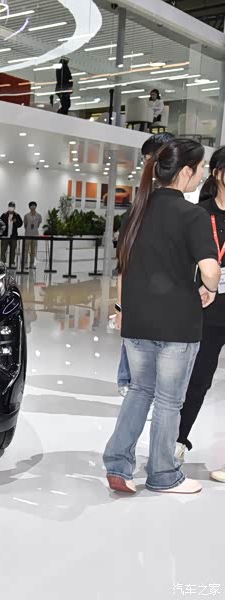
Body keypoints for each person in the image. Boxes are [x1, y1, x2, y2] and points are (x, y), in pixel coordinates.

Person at [104, 138, 220, 495]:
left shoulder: (136, 210)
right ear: (185, 172)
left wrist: (122, 310)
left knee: (139, 392)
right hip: (177, 324)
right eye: (200, 168)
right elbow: (210, 271)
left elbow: (124, 268)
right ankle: (163, 474)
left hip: (138, 320)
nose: (202, 174)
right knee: (169, 402)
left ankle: (118, 464)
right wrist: (210, 287)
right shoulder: (193, 215)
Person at [175, 146, 225, 483]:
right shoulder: (199, 213)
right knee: (197, 381)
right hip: (208, 310)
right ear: (218, 173)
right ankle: (177, 443)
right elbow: (182, 261)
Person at [116, 132, 176, 396]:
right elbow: (124, 264)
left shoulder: (182, 208)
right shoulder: (139, 207)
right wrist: (120, 306)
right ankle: (128, 379)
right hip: (143, 296)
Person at [0, 202, 22, 268]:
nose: (11, 207)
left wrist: (16, 221)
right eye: (10, 206)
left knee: (13, 250)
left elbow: (20, 224)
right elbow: (0, 224)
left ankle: (12, 262)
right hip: (5, 235)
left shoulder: (17, 215)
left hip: (13, 236)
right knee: (3, 250)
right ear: (8, 207)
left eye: (12, 206)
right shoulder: (4, 215)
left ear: (14, 207)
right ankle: (3, 262)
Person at [23, 201, 42, 270]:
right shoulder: (26, 216)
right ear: (29, 207)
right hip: (28, 234)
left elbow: (38, 224)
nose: (33, 207)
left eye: (34, 205)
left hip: (35, 235)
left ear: (36, 207)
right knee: (26, 250)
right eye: (31, 205)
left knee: (33, 250)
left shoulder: (39, 216)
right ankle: (25, 264)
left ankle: (32, 264)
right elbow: (25, 225)